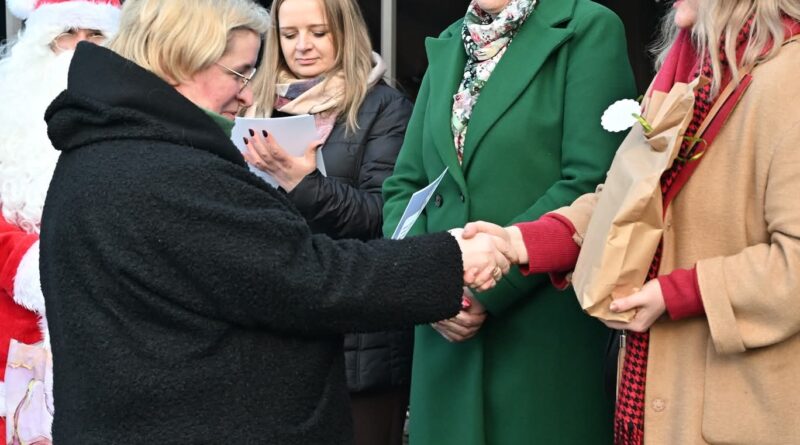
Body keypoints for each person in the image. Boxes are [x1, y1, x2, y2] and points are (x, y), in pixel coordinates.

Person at [38, 0, 513, 443]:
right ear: (183, 60)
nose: (248, 93)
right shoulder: (165, 168)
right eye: (239, 73)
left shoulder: (109, 147)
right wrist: (453, 258)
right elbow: (311, 279)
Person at [463, 0, 800, 443]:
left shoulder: (789, 80)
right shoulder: (687, 75)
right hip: (656, 405)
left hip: (743, 413)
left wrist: (674, 293)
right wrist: (517, 243)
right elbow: (624, 203)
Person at [381, 1, 636, 444]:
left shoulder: (588, 28)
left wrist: (486, 284)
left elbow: (594, 183)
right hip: (444, 335)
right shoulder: (451, 41)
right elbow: (404, 187)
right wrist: (428, 286)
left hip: (538, 333)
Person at [244, 0, 414, 443]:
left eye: (318, 33)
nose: (302, 46)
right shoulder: (254, 105)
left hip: (359, 341)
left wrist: (304, 184)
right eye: (289, 34)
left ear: (346, 31)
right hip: (277, 334)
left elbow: (384, 214)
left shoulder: (383, 107)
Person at [0, 0, 121, 442]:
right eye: (66, 34)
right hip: (19, 324)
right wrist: (29, 266)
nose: (79, 49)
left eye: (96, 36)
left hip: (115, 322)